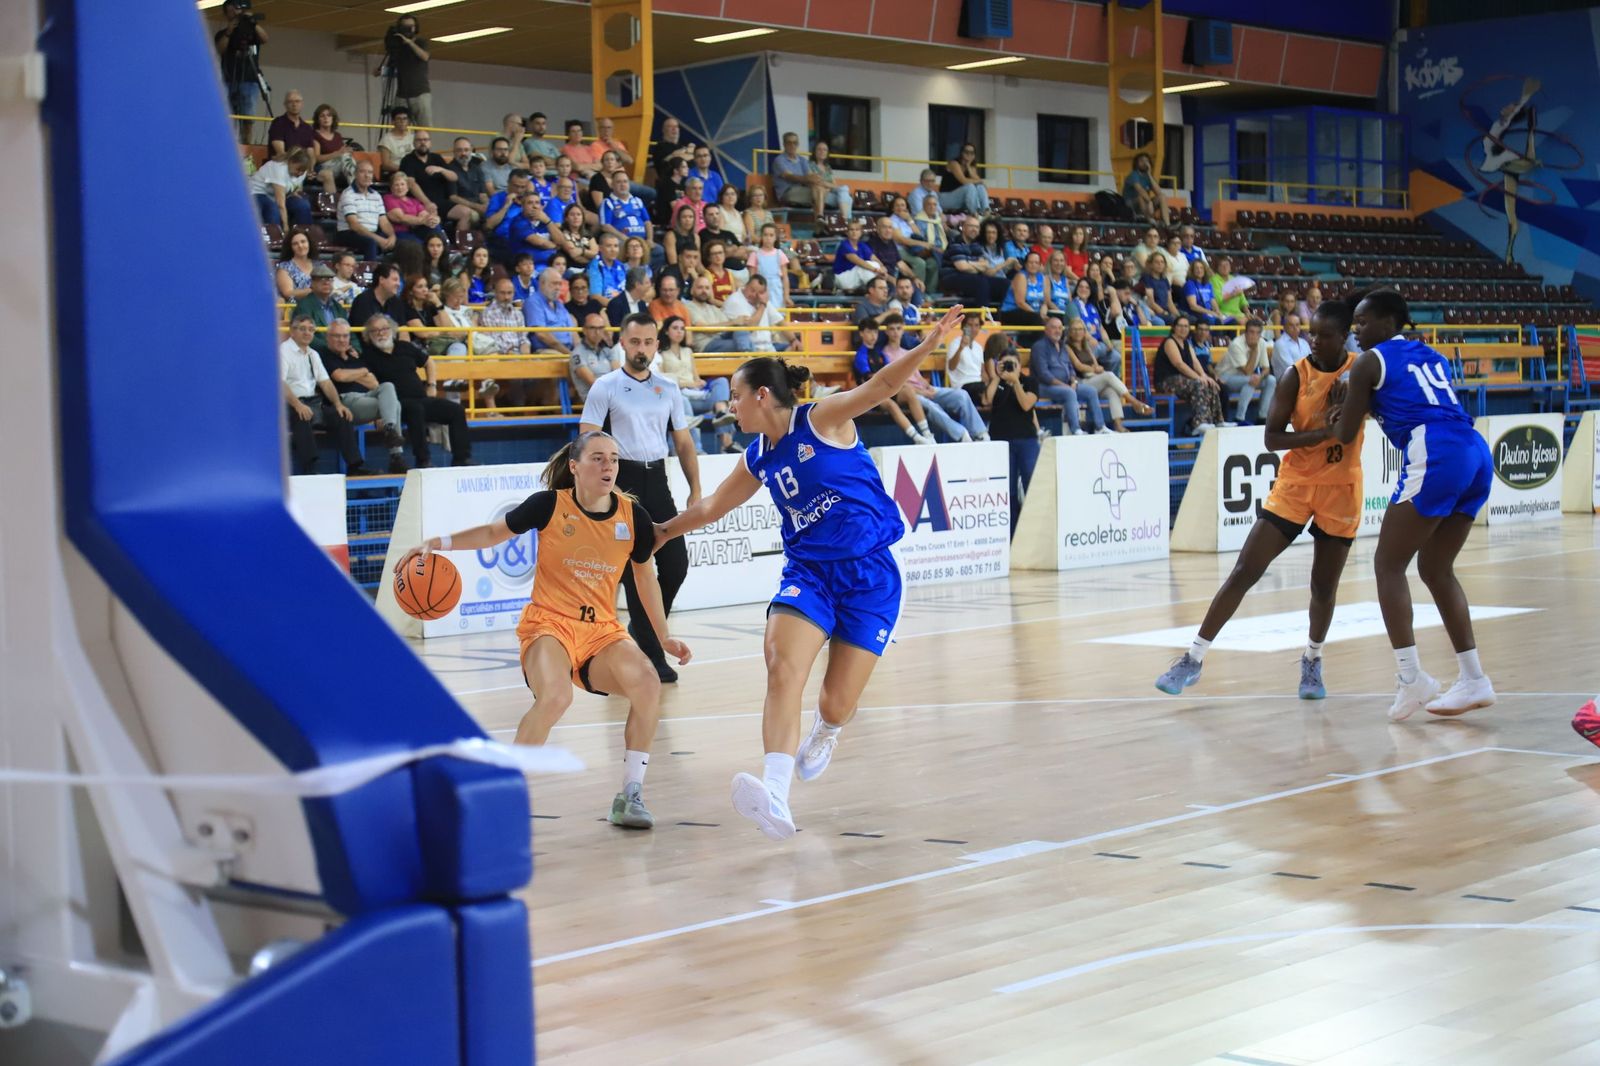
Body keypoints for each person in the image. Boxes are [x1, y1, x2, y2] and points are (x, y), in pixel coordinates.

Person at [654, 307, 965, 840]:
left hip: (870, 576)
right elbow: (711, 511)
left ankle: (826, 731)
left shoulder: (823, 419)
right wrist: (663, 532)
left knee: (834, 702)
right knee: (781, 665)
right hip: (810, 575)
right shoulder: (757, 456)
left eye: (734, 394)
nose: (728, 405)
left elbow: (884, 382)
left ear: (760, 396)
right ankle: (776, 793)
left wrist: (929, 343)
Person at [394, 431, 689, 828]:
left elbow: (645, 576)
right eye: (598, 458)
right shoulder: (550, 505)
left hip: (601, 632)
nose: (609, 467)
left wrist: (663, 634)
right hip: (549, 624)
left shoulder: (631, 515)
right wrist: (438, 542)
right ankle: (506, 793)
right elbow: (493, 534)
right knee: (555, 698)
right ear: (575, 466)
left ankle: (630, 796)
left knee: (648, 685)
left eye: (614, 459)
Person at [1156, 301, 1364, 701]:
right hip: (1297, 485)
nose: (1314, 341)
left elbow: (1363, 419)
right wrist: (1322, 433)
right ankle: (1193, 658)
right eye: (1311, 333)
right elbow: (1272, 438)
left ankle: (1312, 660)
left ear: (1344, 336)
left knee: (1323, 587)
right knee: (1244, 570)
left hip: (1341, 489)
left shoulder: (1361, 372)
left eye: (1323, 335)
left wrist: (1351, 409)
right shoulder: (1294, 376)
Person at [1326, 288, 1497, 721]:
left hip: (1435, 450)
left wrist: (1340, 408)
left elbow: (1345, 433)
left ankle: (1411, 678)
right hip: (1475, 450)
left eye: (1362, 323)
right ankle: (1473, 677)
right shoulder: (1431, 356)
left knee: (1387, 565)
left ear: (1388, 323)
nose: (1356, 332)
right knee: (1435, 568)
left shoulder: (1369, 360)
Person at [577, 313, 702, 682]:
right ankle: (650, 652)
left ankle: (643, 630)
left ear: (657, 346)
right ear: (622, 343)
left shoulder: (668, 387)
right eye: (635, 342)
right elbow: (587, 440)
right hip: (623, 479)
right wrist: (605, 488)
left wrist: (695, 488)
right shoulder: (606, 386)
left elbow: (682, 442)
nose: (641, 349)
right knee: (636, 571)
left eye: (648, 342)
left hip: (658, 478)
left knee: (676, 564)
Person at [361, 314, 473, 468]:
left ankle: (462, 459)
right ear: (368, 335)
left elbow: (429, 363)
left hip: (421, 398)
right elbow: (367, 382)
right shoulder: (367, 355)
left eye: (384, 329)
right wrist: (379, 412)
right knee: (416, 409)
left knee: (457, 410)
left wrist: (431, 385)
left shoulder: (405, 347)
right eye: (375, 331)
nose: (381, 333)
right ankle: (423, 460)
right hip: (397, 405)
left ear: (392, 330)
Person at [280, 314, 367, 476]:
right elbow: (280, 383)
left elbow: (325, 382)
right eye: (302, 329)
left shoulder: (313, 354)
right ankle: (311, 468)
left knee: (342, 415)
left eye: (311, 330)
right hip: (290, 404)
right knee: (301, 416)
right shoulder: (283, 351)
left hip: (314, 403)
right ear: (292, 331)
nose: (307, 333)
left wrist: (338, 404)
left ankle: (355, 466)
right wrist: (298, 405)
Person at [320, 318, 409, 473]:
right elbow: (340, 376)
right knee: (395, 405)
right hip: (346, 401)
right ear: (328, 338)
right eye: (337, 336)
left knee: (388, 386)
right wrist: (362, 372)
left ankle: (389, 429)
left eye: (345, 336)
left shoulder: (354, 357)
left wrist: (354, 374)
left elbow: (374, 383)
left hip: (366, 396)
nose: (342, 340)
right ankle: (396, 457)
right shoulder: (324, 355)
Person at [984, 338, 1041, 532]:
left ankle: (1033, 532)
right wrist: (998, 377)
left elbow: (1026, 404)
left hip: (1026, 440)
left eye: (1013, 364)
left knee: (1031, 486)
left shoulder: (1030, 382)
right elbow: (987, 400)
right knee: (1006, 491)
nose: (1009, 367)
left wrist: (1016, 381)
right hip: (1001, 442)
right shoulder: (997, 383)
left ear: (1020, 365)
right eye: (1005, 364)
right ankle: (1010, 535)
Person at [659, 317, 737, 450]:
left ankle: (721, 414)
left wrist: (699, 382)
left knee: (722, 381)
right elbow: (665, 381)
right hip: (681, 396)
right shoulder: (660, 354)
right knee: (684, 401)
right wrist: (690, 383)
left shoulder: (688, 351)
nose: (679, 332)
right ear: (666, 331)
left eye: (682, 328)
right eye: (675, 328)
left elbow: (696, 377)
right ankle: (717, 444)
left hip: (697, 394)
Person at [1063, 318, 1151, 432]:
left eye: (1080, 329)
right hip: (1080, 381)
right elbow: (1078, 365)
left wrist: (1097, 368)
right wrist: (1094, 369)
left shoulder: (1086, 346)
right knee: (1109, 375)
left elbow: (1094, 362)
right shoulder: (1067, 347)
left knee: (1112, 391)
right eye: (1074, 329)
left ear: (1084, 331)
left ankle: (1118, 425)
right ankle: (1134, 402)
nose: (1077, 332)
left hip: (1093, 379)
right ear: (1069, 332)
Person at [852, 320, 932, 445]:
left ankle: (927, 434)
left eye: (875, 332)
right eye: (869, 332)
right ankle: (917, 438)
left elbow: (892, 373)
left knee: (909, 392)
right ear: (861, 334)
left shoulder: (881, 353)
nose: (873, 335)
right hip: (869, 394)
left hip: (885, 390)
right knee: (890, 404)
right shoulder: (861, 355)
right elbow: (869, 379)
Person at [1030, 314, 1103, 435]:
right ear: (1046, 330)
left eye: (1059, 328)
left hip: (1065, 385)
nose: (1057, 331)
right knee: (1069, 393)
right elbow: (1044, 375)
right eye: (1054, 327)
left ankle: (1100, 427)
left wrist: (1073, 381)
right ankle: (1076, 429)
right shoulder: (1039, 347)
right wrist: (1065, 386)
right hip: (1043, 386)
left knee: (1091, 391)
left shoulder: (1063, 346)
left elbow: (1070, 368)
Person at [1155, 316, 1224, 434]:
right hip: (1166, 381)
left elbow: (1195, 362)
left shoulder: (1187, 343)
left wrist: (1205, 376)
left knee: (1211, 384)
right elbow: (1179, 364)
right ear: (1174, 328)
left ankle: (1218, 420)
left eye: (1186, 326)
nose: (1183, 329)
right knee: (1199, 384)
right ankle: (1199, 422)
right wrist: (1199, 378)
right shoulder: (1170, 342)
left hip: (1183, 380)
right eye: (1180, 326)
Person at [215, 0, 268, 143]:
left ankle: (247, 146)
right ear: (226, 14)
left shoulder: (251, 31)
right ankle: (229, 145)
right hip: (229, 79)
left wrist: (253, 22)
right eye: (231, 11)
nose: (235, 13)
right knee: (228, 118)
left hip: (250, 80)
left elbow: (265, 38)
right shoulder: (223, 33)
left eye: (237, 10)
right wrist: (229, 32)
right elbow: (220, 49)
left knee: (248, 119)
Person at [1217, 319, 1277, 424]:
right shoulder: (1236, 344)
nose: (1254, 336)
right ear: (1245, 332)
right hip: (1225, 378)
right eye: (1251, 332)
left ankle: (1262, 417)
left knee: (1271, 380)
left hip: (1245, 379)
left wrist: (1260, 376)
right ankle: (1239, 418)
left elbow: (1266, 368)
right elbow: (1247, 371)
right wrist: (1254, 351)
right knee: (1251, 380)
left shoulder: (1262, 342)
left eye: (1258, 333)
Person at [380, 15, 431, 125]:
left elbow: (425, 56)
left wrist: (410, 43)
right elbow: (392, 65)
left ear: (415, 28)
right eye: (405, 26)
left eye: (411, 26)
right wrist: (381, 71)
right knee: (399, 125)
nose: (408, 29)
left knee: (424, 127)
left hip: (420, 93)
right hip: (401, 94)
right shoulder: (398, 47)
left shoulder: (420, 41)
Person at [251, 149, 312, 228]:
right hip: (257, 193)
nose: (300, 173)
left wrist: (293, 192)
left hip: (276, 195)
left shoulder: (302, 172)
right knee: (273, 209)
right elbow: (280, 204)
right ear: (290, 162)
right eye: (298, 170)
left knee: (303, 205)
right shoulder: (279, 168)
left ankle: (304, 234)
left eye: (303, 171)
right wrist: (285, 227)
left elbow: (294, 186)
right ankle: (277, 237)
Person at [946, 313, 987, 406]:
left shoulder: (979, 347)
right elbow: (951, 367)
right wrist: (960, 348)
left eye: (976, 325)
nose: (973, 329)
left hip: (978, 384)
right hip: (962, 386)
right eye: (970, 325)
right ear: (963, 327)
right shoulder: (955, 344)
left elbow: (982, 372)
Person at [1000, 251, 1049, 328]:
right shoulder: (1021, 276)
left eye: (1036, 263)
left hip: (1032, 313)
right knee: (1036, 320)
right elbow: (1020, 303)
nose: (1033, 265)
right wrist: (1037, 315)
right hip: (1011, 311)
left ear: (1040, 265)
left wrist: (1043, 315)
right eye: (1031, 262)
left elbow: (1045, 303)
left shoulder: (1043, 278)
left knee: (1053, 320)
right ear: (1026, 264)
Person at [941, 143, 990, 216]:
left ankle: (986, 213)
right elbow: (963, 181)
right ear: (961, 153)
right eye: (966, 152)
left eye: (972, 153)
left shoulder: (972, 167)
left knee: (980, 187)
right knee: (970, 187)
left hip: (962, 200)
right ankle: (975, 214)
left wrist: (969, 169)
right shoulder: (954, 163)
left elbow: (984, 186)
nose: (969, 155)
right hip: (947, 197)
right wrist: (978, 181)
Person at [1122, 151, 1169, 225]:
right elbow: (1140, 190)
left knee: (1162, 197)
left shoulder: (1148, 177)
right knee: (1141, 197)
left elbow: (1158, 192)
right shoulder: (1133, 174)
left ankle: (1167, 225)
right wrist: (1149, 201)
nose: (1144, 163)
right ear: (1136, 163)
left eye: (1146, 161)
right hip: (1130, 205)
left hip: (1145, 205)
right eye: (1141, 161)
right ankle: (1149, 220)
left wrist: (1149, 174)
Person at [275, 227, 318, 301]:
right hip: (298, 309)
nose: (300, 246)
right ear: (290, 247)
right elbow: (288, 293)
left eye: (303, 242)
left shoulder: (319, 266)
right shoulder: (284, 267)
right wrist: (313, 291)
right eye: (295, 244)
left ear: (309, 243)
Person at [1273, 312, 1311, 381]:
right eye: (1291, 325)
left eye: (1297, 325)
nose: (1295, 328)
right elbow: (1292, 369)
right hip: (1287, 383)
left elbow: (1312, 362)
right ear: (1284, 327)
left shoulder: (1304, 343)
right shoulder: (1280, 344)